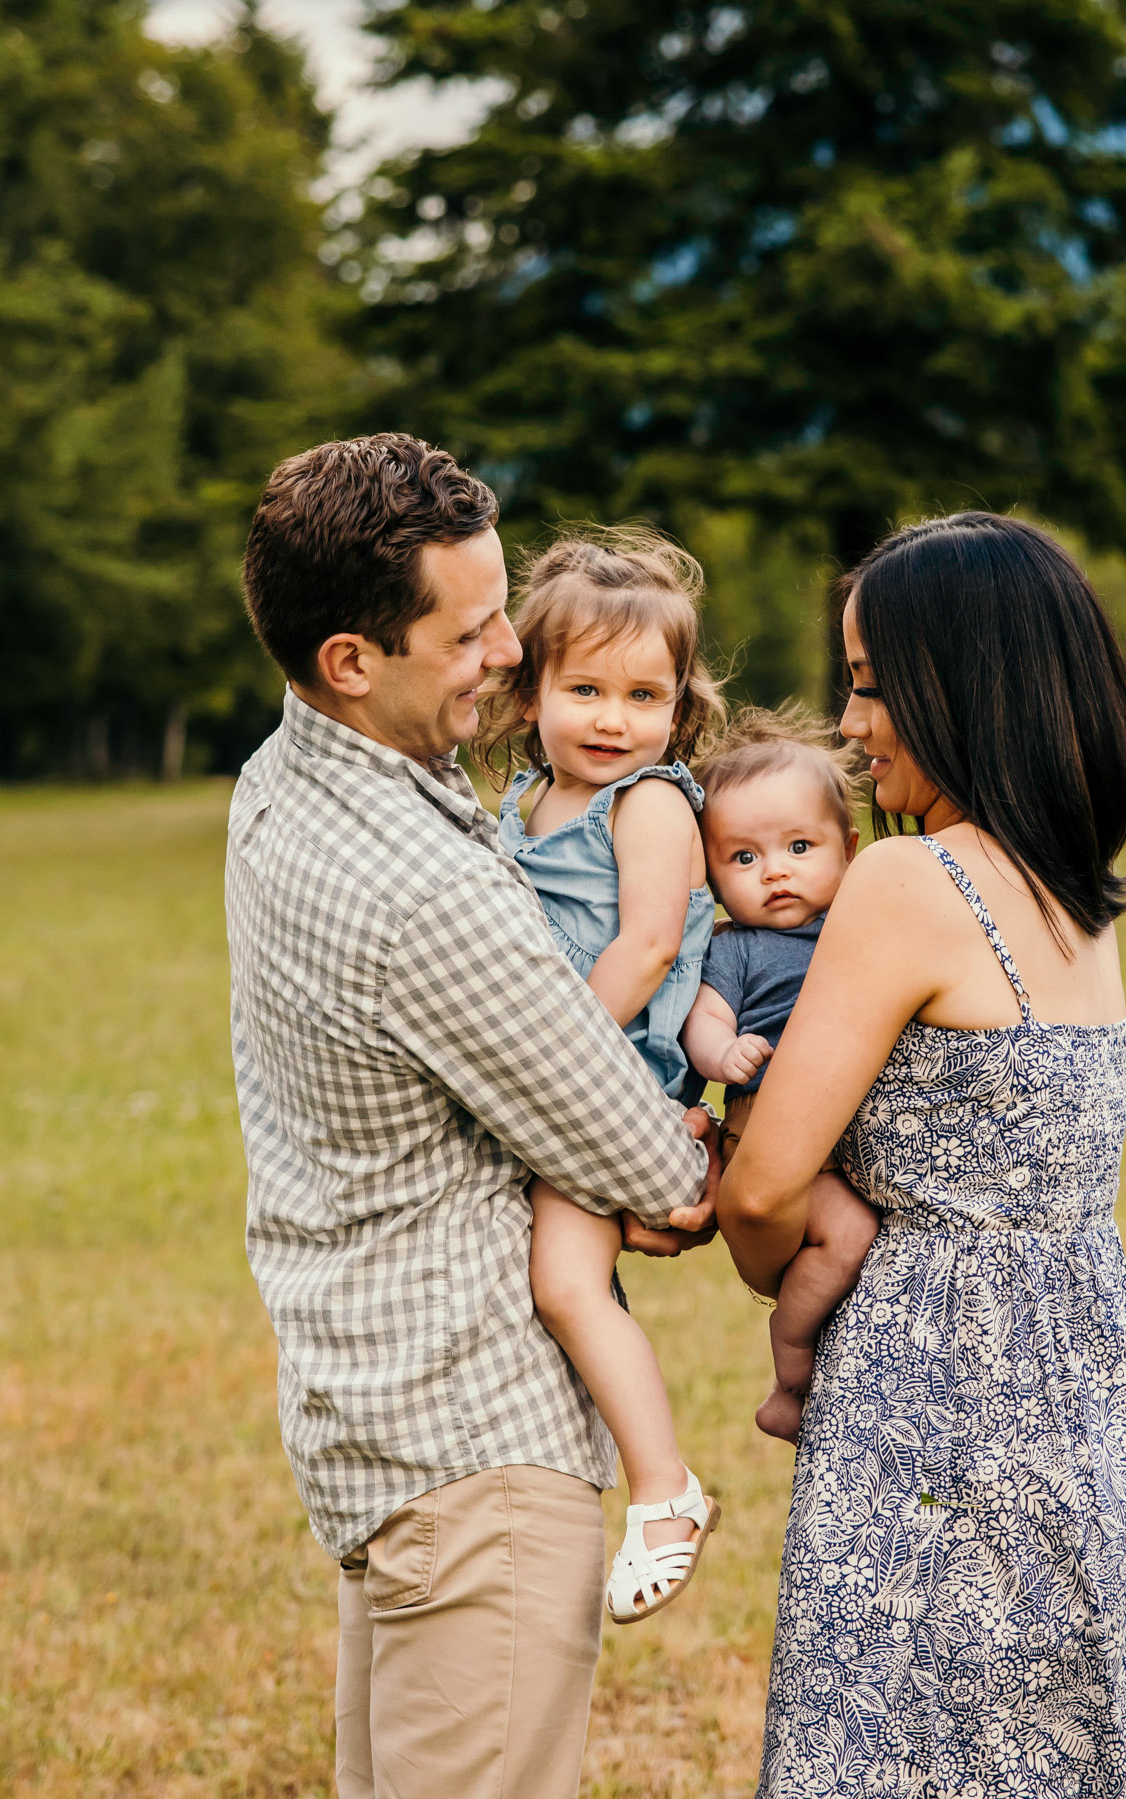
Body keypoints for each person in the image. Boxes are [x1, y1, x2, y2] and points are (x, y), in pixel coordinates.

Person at [224, 434, 719, 1799]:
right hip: (473, 1447)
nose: (512, 646)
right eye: (474, 625)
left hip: (371, 1420)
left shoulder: (282, 778)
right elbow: (645, 1165)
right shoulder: (418, 889)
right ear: (350, 659)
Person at [718, 512, 1126, 1798]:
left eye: (866, 684)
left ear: (957, 683)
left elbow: (760, 1184)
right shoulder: (1071, 880)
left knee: (880, 1743)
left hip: (930, 1396)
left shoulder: (912, 880)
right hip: (1076, 1394)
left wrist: (767, 1267)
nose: (852, 725)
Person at [477, 528, 727, 1623]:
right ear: (529, 686)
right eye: (583, 688)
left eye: (643, 694)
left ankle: (665, 1485)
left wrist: (541, 1049)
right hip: (554, 1067)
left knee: (568, 1284)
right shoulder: (525, 798)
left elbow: (647, 945)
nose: (612, 719)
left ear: (678, 707)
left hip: (607, 1070)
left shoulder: (651, 803)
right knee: (555, 1284)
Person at [680, 707, 881, 1444]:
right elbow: (705, 1017)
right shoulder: (735, 950)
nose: (776, 871)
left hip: (848, 1135)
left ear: (849, 848)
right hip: (773, 1137)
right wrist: (722, 1053)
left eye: (800, 845)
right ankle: (791, 1374)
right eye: (744, 858)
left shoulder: (860, 923)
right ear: (711, 872)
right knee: (849, 1233)